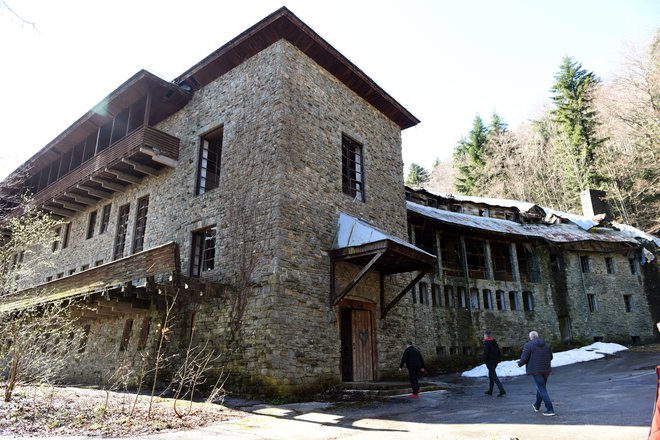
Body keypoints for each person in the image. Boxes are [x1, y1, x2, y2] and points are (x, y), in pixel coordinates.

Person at [517, 330, 555, 416]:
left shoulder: (528, 345)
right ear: (537, 336)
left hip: (535, 370)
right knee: (541, 388)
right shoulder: (546, 345)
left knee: (542, 389)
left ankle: (550, 409)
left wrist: (519, 364)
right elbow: (551, 357)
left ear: (530, 337)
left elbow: (524, 358)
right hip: (546, 370)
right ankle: (536, 405)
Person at [483, 331, 505, 396]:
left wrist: (484, 359)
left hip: (490, 361)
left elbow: (486, 353)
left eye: (484, 336)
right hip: (495, 361)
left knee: (493, 375)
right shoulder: (494, 343)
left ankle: (502, 390)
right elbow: (498, 352)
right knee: (491, 375)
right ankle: (490, 390)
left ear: (486, 336)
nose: (483, 337)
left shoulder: (487, 343)